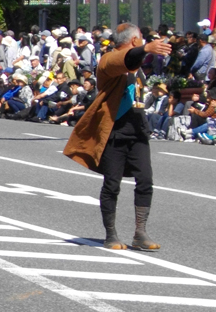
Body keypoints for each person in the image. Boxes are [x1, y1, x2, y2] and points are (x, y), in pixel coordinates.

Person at [63, 23, 171, 251]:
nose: (143, 43)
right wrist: (147, 49)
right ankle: (111, 233)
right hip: (115, 131)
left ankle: (140, 232)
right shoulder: (108, 60)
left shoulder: (138, 66)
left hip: (138, 131)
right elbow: (126, 60)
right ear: (134, 41)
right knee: (112, 184)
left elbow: (133, 62)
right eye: (141, 39)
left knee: (145, 181)